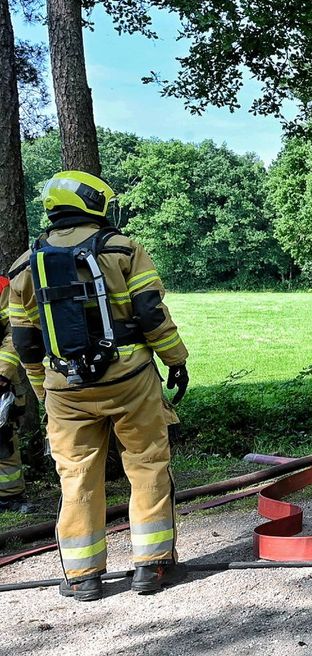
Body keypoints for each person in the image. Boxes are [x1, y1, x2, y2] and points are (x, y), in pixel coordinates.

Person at [7, 171, 189, 601]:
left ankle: (83, 576)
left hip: (63, 386)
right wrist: (175, 360)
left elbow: (24, 341)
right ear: (94, 203)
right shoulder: (123, 249)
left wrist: (42, 389)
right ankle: (152, 566)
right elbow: (151, 313)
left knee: (76, 476)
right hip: (129, 378)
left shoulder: (23, 265)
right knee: (146, 464)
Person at [0, 274, 36, 513]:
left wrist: (2, 371)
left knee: (3, 440)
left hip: (1, 382)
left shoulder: (2, 286)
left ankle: (10, 497)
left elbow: (15, 330)